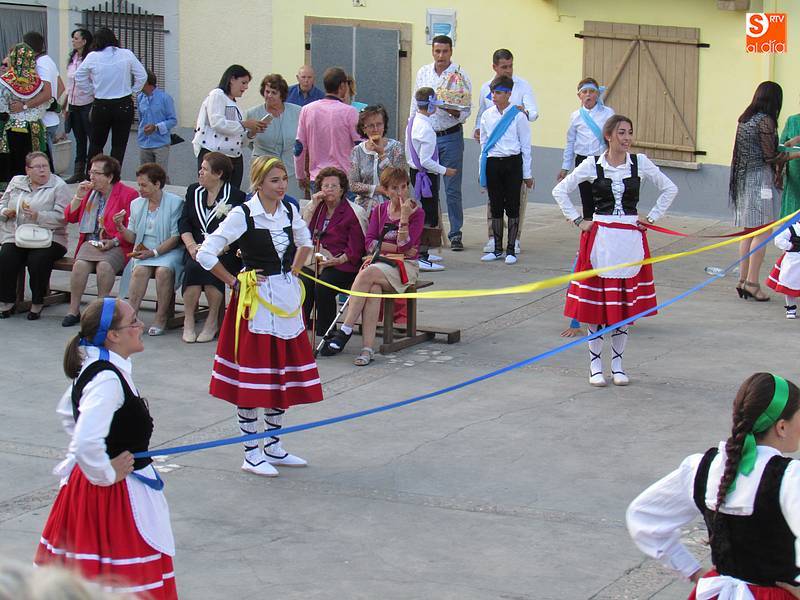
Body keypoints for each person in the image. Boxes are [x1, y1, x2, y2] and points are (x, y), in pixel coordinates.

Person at [34, 298, 177, 599]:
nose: (141, 326)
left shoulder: (99, 367)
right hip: (112, 497)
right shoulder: (107, 378)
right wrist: (104, 471)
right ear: (113, 335)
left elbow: (67, 412)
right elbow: (85, 439)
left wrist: (95, 459)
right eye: (134, 321)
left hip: (95, 488)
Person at [197, 156, 323, 477]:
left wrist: (294, 270)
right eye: (274, 180)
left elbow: (305, 242)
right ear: (258, 183)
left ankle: (273, 445)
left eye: (284, 179)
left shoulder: (289, 210)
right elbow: (205, 252)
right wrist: (233, 281)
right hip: (256, 302)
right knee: (253, 376)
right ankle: (251, 452)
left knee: (280, 371)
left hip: (285, 298)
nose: (281, 186)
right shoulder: (243, 214)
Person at [627, 372, 800, 600]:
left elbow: (643, 516)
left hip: (716, 593)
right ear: (782, 427)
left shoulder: (705, 467)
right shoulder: (790, 477)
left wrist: (691, 570)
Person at [551, 115, 677, 387]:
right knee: (597, 307)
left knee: (623, 306)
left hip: (629, 239)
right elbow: (560, 191)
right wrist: (578, 220)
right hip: (602, 239)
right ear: (608, 136)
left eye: (629, 132)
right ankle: (595, 366)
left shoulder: (639, 162)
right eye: (621, 132)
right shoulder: (592, 164)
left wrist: (651, 218)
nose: (627, 138)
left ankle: (618, 365)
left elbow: (670, 188)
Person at [320, 167, 423, 366]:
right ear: (386, 190)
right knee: (373, 287)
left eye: (404, 187)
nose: (400, 192)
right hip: (380, 263)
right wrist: (396, 247)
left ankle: (346, 329)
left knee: (367, 274)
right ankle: (367, 350)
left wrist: (403, 218)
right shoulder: (379, 210)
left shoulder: (416, 213)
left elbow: (406, 247)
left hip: (404, 266)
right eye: (394, 188)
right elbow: (369, 243)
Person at [473, 48, 539, 256]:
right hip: (493, 153)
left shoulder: (523, 85)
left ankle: (514, 240)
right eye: (504, 67)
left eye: (511, 66)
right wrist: (477, 128)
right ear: (494, 67)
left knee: (514, 201)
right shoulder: (486, 87)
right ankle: (494, 239)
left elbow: (533, 112)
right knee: (494, 201)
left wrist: (525, 112)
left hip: (513, 152)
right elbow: (482, 114)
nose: (508, 70)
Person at [61, 155, 137, 327]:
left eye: (96, 173)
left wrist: (114, 241)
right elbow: (70, 217)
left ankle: (100, 312)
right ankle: (73, 310)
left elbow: (132, 227)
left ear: (109, 177)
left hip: (116, 244)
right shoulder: (89, 193)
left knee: (104, 267)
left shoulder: (128, 194)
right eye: (90, 172)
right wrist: (78, 197)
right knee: (80, 266)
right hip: (91, 242)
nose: (91, 177)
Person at [411, 35, 471, 250]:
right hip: (427, 135)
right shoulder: (423, 72)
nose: (441, 55)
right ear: (432, 51)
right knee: (428, 187)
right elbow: (414, 105)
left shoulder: (460, 75)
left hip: (450, 135)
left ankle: (455, 234)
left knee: (452, 188)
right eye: (437, 51)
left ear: (451, 51)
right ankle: (430, 233)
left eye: (445, 51)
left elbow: (465, 111)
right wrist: (411, 133)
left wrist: (445, 105)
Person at [179, 152, 245, 344]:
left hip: (224, 251)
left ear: (218, 174)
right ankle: (189, 320)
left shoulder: (236, 196)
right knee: (194, 266)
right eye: (201, 168)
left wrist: (216, 250)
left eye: (204, 169)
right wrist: (191, 246)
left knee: (212, 267)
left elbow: (238, 231)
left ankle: (212, 321)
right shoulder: (193, 191)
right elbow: (184, 223)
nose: (200, 172)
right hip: (194, 248)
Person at [114, 163, 183, 336]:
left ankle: (161, 317)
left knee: (163, 271)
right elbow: (133, 237)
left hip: (168, 250)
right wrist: (120, 227)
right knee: (139, 271)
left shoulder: (175, 203)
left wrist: (154, 253)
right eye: (139, 185)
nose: (140, 189)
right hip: (144, 251)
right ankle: (131, 317)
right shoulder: (136, 204)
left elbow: (175, 237)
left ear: (157, 184)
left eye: (144, 185)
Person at [730, 81, 783, 302]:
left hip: (743, 179)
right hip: (760, 182)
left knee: (748, 231)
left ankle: (742, 280)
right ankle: (752, 283)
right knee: (763, 231)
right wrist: (794, 154)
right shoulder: (765, 121)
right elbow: (770, 156)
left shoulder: (745, 119)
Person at [0, 151, 70, 319]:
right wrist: (5, 211)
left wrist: (39, 216)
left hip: (50, 237)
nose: (42, 170)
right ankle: (6, 301)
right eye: (37, 167)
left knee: (37, 259)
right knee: (6, 256)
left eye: (45, 166)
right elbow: (2, 203)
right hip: (18, 234)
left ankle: (38, 302)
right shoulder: (16, 181)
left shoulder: (59, 186)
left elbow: (64, 217)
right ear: (28, 170)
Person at [301, 166, 366, 340]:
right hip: (316, 260)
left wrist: (336, 260)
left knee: (323, 286)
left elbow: (356, 249)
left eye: (334, 186)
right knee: (303, 283)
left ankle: (326, 334)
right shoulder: (316, 208)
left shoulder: (353, 212)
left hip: (343, 264)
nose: (329, 189)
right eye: (325, 186)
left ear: (342, 190)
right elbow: (301, 232)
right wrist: (312, 206)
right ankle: (298, 331)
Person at [74, 27, 147, 166]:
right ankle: (114, 175)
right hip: (123, 104)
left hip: (101, 104)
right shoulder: (126, 54)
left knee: (96, 144)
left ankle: (92, 174)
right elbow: (142, 76)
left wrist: (91, 90)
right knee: (119, 146)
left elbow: (79, 76)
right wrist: (133, 91)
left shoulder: (93, 56)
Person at [192, 64, 267, 190]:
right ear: (232, 79)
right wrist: (244, 124)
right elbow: (217, 123)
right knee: (213, 192)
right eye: (243, 82)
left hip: (235, 158)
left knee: (232, 195)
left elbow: (240, 141)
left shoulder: (236, 107)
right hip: (214, 156)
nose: (246, 87)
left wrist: (252, 133)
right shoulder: (217, 94)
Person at [406, 88, 456, 272]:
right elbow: (426, 160)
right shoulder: (426, 129)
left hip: (416, 172)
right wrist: (445, 170)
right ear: (430, 105)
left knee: (426, 212)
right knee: (428, 215)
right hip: (426, 175)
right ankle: (421, 255)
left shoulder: (412, 121)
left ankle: (424, 251)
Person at [294, 67, 361, 196]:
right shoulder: (350, 112)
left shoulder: (307, 110)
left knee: (320, 209)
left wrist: (300, 174)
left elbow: (299, 147)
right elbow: (360, 145)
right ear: (342, 86)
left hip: (317, 178)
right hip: (344, 179)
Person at [557, 77, 616, 218]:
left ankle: (604, 225)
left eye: (592, 91)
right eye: (584, 92)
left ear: (597, 94)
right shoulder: (575, 116)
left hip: (602, 160)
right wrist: (565, 167)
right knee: (586, 197)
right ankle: (589, 226)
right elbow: (570, 142)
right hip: (582, 160)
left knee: (604, 196)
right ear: (579, 96)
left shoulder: (608, 113)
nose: (588, 95)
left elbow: (614, 138)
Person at [244, 73, 302, 197]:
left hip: (290, 169)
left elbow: (302, 139)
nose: (269, 95)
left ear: (282, 95)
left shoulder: (298, 111)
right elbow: (244, 142)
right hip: (263, 169)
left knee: (291, 203)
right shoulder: (252, 113)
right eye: (267, 91)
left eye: (274, 92)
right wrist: (253, 132)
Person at [0, 43, 49, 183]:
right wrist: (27, 106)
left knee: (17, 165)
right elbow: (48, 102)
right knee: (37, 160)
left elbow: (2, 108)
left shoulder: (5, 81)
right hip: (35, 127)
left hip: (14, 128)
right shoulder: (38, 81)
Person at [349, 104, 406, 216]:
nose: (375, 129)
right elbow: (353, 184)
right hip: (364, 210)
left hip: (392, 208)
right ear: (364, 129)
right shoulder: (357, 151)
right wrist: (377, 189)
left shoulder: (396, 147)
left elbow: (400, 178)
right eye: (371, 125)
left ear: (384, 125)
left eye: (379, 124)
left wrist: (382, 154)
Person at [22, 32, 65, 168]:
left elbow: (46, 93)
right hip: (50, 119)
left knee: (42, 163)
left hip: (44, 121)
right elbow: (61, 86)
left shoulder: (40, 64)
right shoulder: (48, 60)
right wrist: (50, 104)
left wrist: (26, 105)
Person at [64, 28, 94, 184]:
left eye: (76, 38)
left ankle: (92, 172)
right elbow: (70, 84)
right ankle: (78, 172)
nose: (73, 41)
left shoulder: (90, 58)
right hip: (74, 104)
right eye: (73, 38)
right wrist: (66, 105)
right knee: (79, 139)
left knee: (92, 138)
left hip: (87, 103)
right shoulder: (73, 58)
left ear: (84, 41)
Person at [136, 69, 176, 177]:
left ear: (146, 82)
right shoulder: (140, 98)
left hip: (160, 143)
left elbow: (173, 120)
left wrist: (156, 127)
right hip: (144, 143)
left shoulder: (165, 98)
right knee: (145, 175)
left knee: (160, 175)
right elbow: (140, 118)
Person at [765, 222, 800, 319]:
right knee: (789, 284)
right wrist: (790, 246)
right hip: (793, 261)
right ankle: (791, 308)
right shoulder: (792, 228)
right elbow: (778, 240)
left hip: (793, 260)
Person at [778, 108, 800, 218]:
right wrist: (778, 173)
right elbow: (781, 149)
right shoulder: (792, 121)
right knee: (791, 215)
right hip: (794, 179)